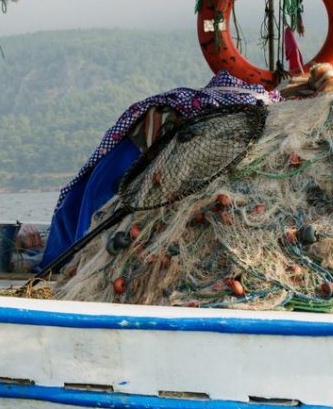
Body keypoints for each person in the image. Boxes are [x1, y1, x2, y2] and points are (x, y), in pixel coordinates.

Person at [38, 70, 283, 273]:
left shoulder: (164, 118)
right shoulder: (141, 143)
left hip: (114, 179)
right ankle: (76, 265)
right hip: (114, 180)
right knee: (93, 210)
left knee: (91, 209)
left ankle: (73, 263)